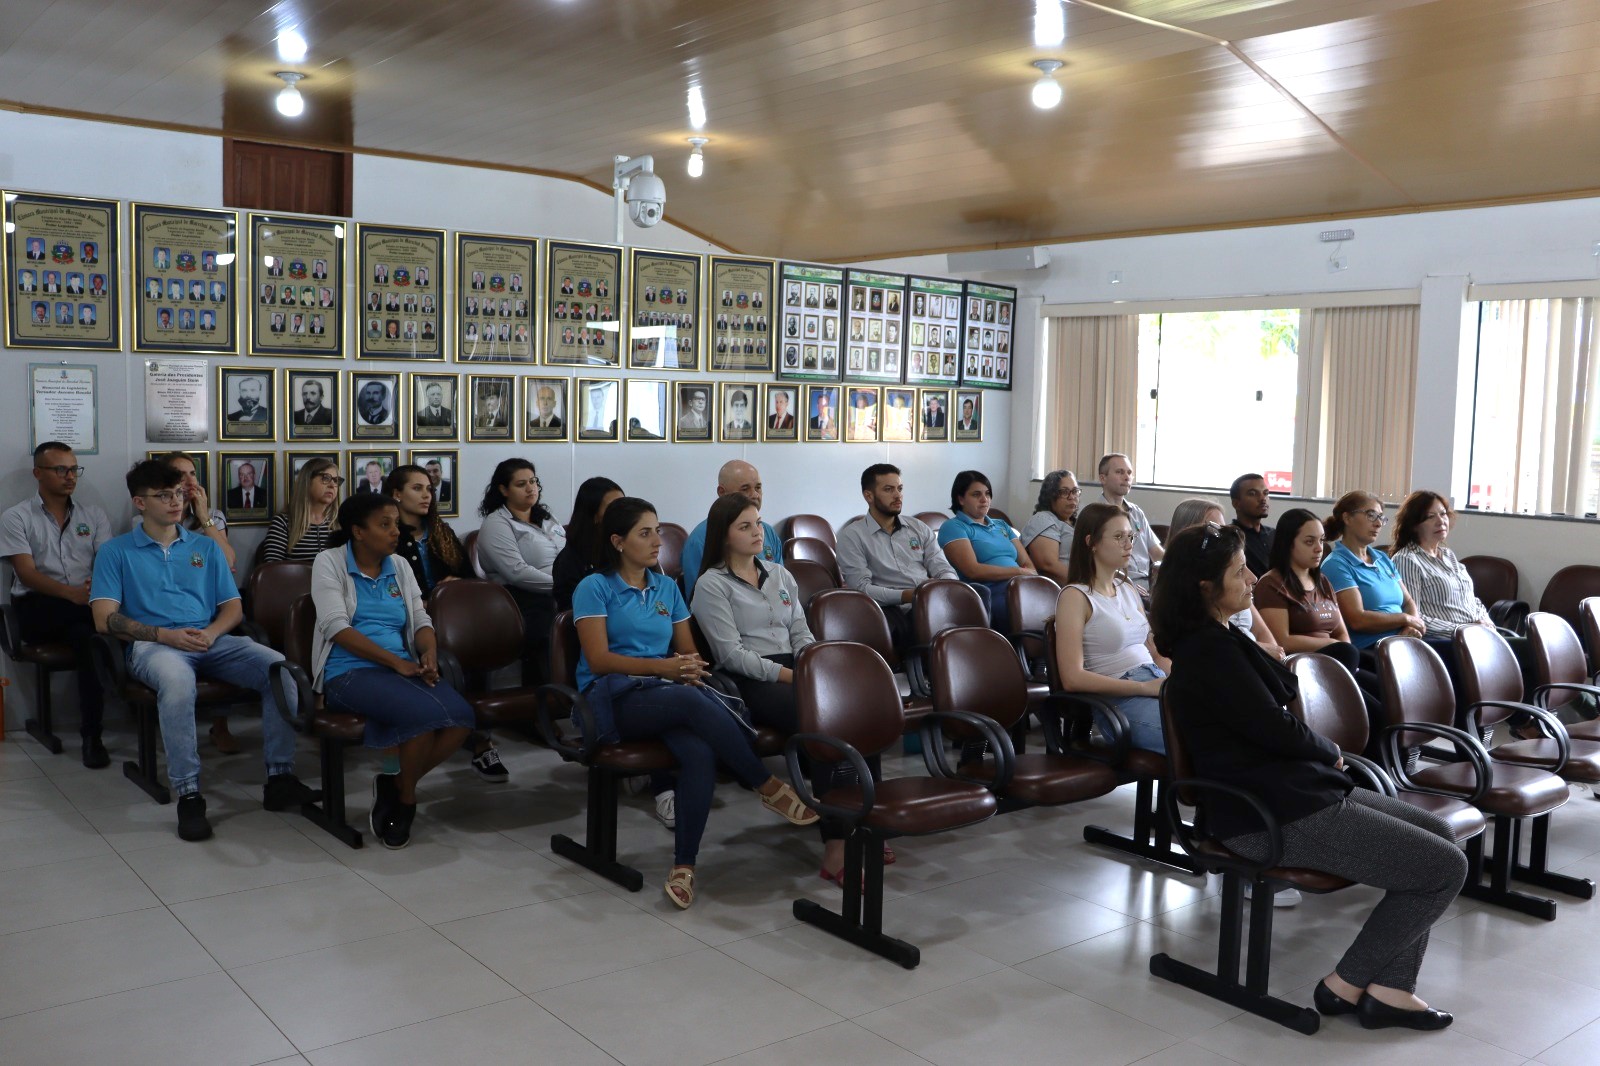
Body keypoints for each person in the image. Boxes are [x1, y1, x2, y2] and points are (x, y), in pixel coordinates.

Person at [1150, 524, 1465, 1032]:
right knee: (1443, 868)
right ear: (1204, 587)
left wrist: (1324, 758)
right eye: (1238, 572)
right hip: (1267, 813)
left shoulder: (1222, 636)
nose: (1252, 577)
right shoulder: (1208, 651)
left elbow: (1274, 715)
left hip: (1296, 792)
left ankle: (1388, 987)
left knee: (1443, 839)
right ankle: (1349, 983)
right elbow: (1274, 727)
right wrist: (1331, 751)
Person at [573, 497, 818, 908]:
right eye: (645, 533)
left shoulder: (666, 586)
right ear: (617, 541)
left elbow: (688, 653)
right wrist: (665, 670)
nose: (657, 541)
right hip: (612, 696)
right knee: (690, 704)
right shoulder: (594, 587)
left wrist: (683, 668)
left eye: (656, 531)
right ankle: (765, 782)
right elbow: (598, 660)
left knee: (699, 751)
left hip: (665, 694)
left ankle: (683, 865)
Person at [90, 460, 319, 841]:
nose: (175, 502)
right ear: (140, 503)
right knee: (178, 683)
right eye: (164, 495)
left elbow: (233, 607)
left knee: (280, 668)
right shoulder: (116, 552)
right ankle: (189, 792)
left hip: (210, 640)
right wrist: (165, 636)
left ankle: (280, 776)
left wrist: (212, 634)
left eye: (179, 493)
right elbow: (104, 619)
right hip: (154, 646)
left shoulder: (204, 547)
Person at [693, 493, 884, 882]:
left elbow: (800, 631)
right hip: (754, 679)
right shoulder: (711, 585)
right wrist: (793, 677)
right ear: (724, 536)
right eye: (744, 526)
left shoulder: (779, 574)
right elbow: (731, 655)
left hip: (798, 668)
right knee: (822, 723)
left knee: (861, 713)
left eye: (758, 523)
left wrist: (817, 666)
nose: (757, 532)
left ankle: (867, 823)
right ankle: (835, 844)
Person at [311, 494, 475, 849]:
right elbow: (335, 626)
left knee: (461, 717)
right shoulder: (330, 562)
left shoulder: (399, 565)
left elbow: (420, 619)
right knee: (421, 715)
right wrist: (396, 663)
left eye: (395, 523)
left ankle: (397, 783)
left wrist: (428, 652)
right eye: (384, 524)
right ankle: (407, 800)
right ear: (357, 531)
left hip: (400, 667)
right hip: (348, 671)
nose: (394, 531)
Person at [385, 465, 503, 781]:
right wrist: (426, 598)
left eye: (429, 489)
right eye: (417, 488)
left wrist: (453, 587)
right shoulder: (386, 535)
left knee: (478, 648)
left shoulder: (441, 531)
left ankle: (480, 740)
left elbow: (468, 578)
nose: (427, 495)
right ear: (396, 494)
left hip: (449, 620)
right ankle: (425, 735)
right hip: (405, 621)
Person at [0, 444, 111, 767]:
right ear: (38, 473)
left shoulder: (94, 515)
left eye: (74, 469)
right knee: (96, 625)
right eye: (60, 470)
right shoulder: (16, 517)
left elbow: (106, 563)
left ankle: (93, 735)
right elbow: (27, 573)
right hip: (37, 608)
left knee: (85, 637)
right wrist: (72, 594)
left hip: (84, 609)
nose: (69, 476)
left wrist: (91, 592)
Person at [1255, 507, 1386, 746]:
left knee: (1386, 695)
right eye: (1309, 541)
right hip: (1302, 669)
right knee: (1371, 711)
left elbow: (1341, 633)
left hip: (1336, 663)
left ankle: (1384, 766)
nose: (1319, 548)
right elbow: (1281, 640)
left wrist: (1338, 647)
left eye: (1321, 540)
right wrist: (1333, 645)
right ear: (1288, 544)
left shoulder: (1322, 581)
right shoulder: (1271, 584)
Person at [1053, 503, 1168, 753]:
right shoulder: (1075, 596)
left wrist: (1178, 680)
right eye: (1118, 537)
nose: (1129, 545)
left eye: (1130, 536)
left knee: (1221, 717)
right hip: (1121, 700)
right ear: (1091, 542)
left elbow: (1155, 651)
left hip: (1155, 682)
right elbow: (1072, 678)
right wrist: (1143, 688)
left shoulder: (1127, 588)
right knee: (1199, 734)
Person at [160, 452, 242, 755]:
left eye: (193, 474)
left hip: (211, 603)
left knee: (226, 635)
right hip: (172, 606)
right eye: (180, 475)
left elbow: (228, 560)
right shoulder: (152, 517)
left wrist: (204, 515)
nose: (189, 481)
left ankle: (220, 725)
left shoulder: (213, 516)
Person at [835, 463, 958, 648]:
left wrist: (946, 587)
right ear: (869, 496)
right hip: (892, 608)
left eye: (900, 489)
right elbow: (861, 589)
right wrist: (908, 596)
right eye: (888, 489)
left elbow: (942, 567)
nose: (897, 495)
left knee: (978, 594)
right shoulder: (852, 536)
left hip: (933, 600)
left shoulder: (918, 528)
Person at [475, 459, 565, 685]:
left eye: (533, 481)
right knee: (552, 630)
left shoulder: (545, 517)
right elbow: (517, 572)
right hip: (520, 600)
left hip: (560, 593)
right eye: (521, 484)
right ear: (504, 490)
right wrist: (564, 585)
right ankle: (551, 696)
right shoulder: (496, 524)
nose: (530, 488)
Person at [1165, 498, 1284, 658]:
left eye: (1222, 528)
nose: (1221, 535)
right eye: (1213, 529)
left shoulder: (1234, 570)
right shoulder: (1188, 584)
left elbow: (1263, 632)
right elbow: (1208, 644)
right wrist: (1255, 650)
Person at [1319, 492, 1427, 650]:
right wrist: (1406, 619)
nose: (1378, 524)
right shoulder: (1336, 565)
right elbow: (1358, 620)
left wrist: (1411, 627)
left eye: (1381, 517)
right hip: (1372, 648)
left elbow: (1408, 601)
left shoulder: (1382, 558)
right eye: (1371, 515)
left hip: (1403, 639)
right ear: (1347, 518)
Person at [936, 470, 1035, 634]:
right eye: (976, 495)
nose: (984, 500)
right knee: (1022, 612)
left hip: (1021, 586)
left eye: (987, 494)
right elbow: (972, 570)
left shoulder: (1001, 525)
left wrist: (1027, 576)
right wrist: (1017, 572)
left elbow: (1027, 563)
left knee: (1059, 604)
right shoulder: (953, 527)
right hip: (987, 592)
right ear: (960, 499)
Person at [1389, 491, 1493, 638]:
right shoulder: (1407, 560)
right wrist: (1463, 630)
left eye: (1443, 514)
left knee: (1525, 647)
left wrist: (1487, 623)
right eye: (1431, 517)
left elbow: (1472, 600)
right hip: (1446, 642)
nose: (1441, 521)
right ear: (1413, 525)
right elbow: (1414, 616)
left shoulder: (1448, 555)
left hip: (1476, 636)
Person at [679, 461, 782, 599]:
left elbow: (782, 589)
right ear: (722, 492)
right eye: (745, 489)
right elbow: (698, 600)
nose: (755, 495)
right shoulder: (699, 540)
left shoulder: (767, 531)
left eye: (758, 488)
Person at [1097, 453, 1163, 590]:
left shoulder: (1136, 512)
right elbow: (1094, 563)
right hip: (1116, 585)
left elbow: (1156, 552)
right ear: (1103, 478)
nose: (1127, 477)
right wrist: (1126, 586)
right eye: (1119, 472)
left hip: (1148, 585)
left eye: (1129, 472)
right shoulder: (1095, 515)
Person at [259, 458, 341, 563]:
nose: (332, 485)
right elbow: (273, 570)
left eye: (336, 480)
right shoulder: (283, 522)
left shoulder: (341, 522)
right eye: (326, 478)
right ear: (307, 482)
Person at [1019, 469, 1079, 584]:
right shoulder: (1043, 519)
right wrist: (1086, 582)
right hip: (1062, 589)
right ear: (1051, 496)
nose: (1072, 497)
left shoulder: (1077, 523)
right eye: (1065, 492)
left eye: (1075, 491)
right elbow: (1048, 565)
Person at [1231, 473, 1275, 577]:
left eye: (1265, 493)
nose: (1262, 498)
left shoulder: (1275, 534)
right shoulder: (1230, 537)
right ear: (1236, 503)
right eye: (1252, 493)